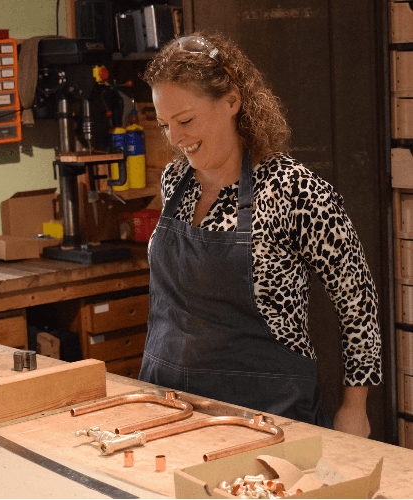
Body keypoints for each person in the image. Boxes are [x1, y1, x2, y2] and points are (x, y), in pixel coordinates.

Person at [137, 32, 382, 437]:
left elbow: (357, 301)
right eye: (165, 125)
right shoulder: (174, 181)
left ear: (231, 101)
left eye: (185, 121)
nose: (175, 139)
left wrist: (355, 407)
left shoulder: (294, 190)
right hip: (170, 407)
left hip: (268, 416)